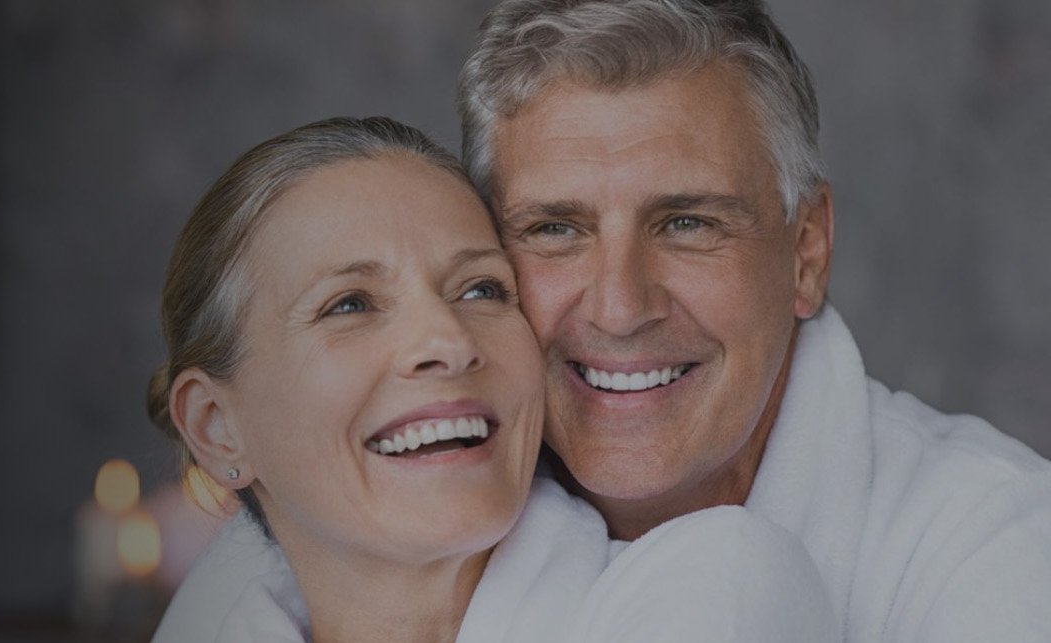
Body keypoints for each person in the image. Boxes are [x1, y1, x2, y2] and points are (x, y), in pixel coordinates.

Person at [159, 1, 1051, 641]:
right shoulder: (275, 577)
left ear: (806, 251)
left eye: (689, 223)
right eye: (554, 230)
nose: (620, 306)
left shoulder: (998, 554)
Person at [148, 116, 836, 642]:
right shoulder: (211, 616)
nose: (447, 340)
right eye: (350, 304)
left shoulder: (717, 592)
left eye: (481, 289)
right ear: (216, 427)